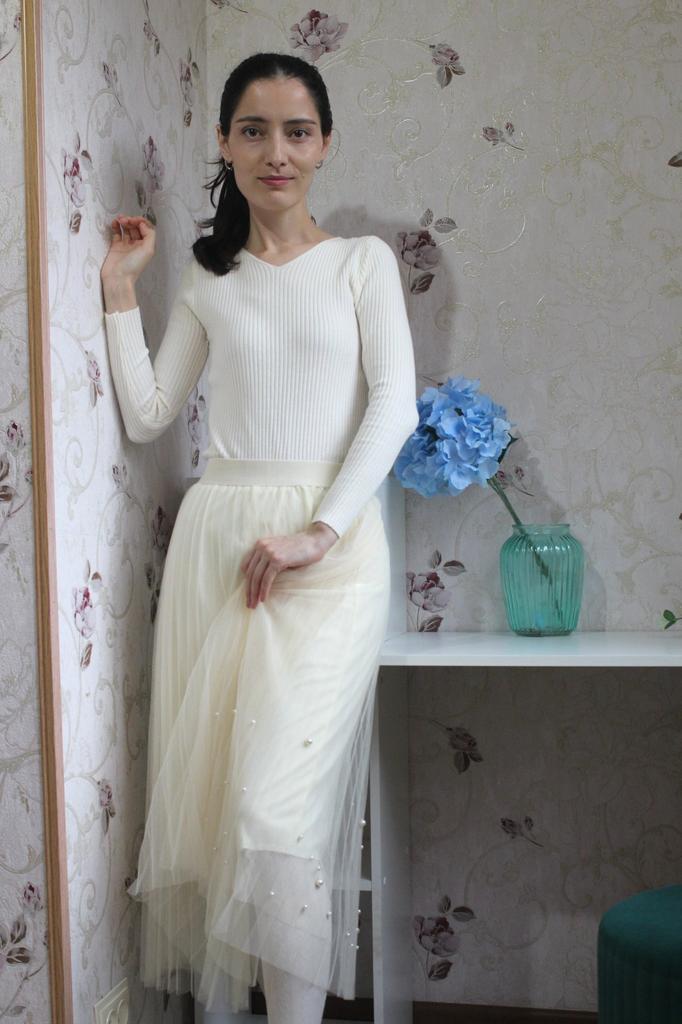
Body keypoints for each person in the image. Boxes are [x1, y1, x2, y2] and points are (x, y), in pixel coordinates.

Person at [100, 51, 419, 1024]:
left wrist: (318, 531)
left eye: (295, 131)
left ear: (324, 145)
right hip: (224, 550)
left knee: (275, 813)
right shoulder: (209, 278)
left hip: (329, 555)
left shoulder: (362, 263)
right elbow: (149, 413)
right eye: (253, 129)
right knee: (227, 814)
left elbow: (394, 406)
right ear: (225, 143)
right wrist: (121, 288)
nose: (275, 151)